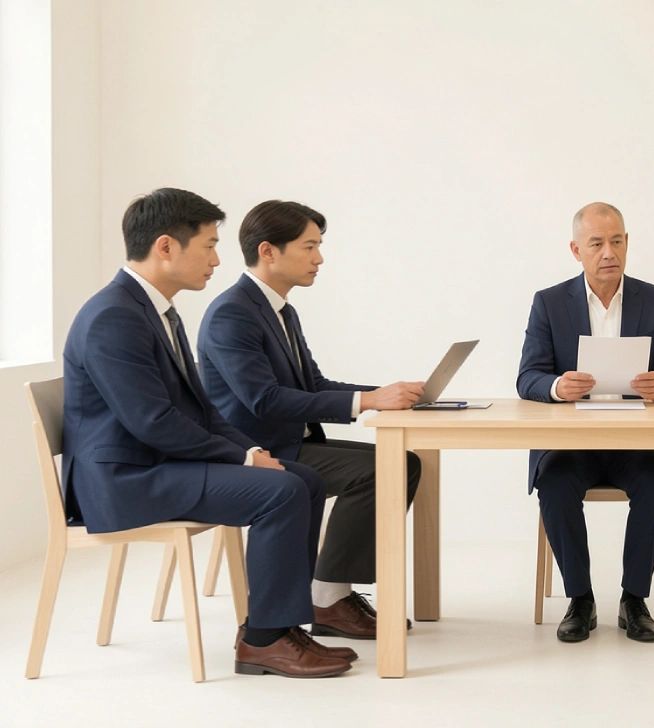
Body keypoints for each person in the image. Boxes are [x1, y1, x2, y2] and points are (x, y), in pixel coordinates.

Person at [62, 188, 351, 678]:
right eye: (209, 245)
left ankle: (284, 624)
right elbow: (152, 422)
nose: (218, 260)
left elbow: (203, 412)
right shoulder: (114, 315)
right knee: (281, 492)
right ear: (166, 246)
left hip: (155, 465)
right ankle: (263, 640)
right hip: (125, 480)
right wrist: (241, 461)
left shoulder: (156, 311)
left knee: (304, 479)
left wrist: (252, 449)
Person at [199, 200, 424, 639]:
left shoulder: (280, 309)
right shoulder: (232, 313)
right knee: (384, 468)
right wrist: (369, 399)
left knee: (404, 461)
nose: (319, 258)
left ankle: (331, 592)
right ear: (269, 251)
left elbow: (312, 383)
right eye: (309, 247)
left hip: (292, 440)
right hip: (258, 452)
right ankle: (327, 600)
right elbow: (264, 400)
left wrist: (381, 398)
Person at [516, 202, 654, 642]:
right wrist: (558, 386)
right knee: (554, 484)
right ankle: (580, 600)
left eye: (617, 241)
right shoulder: (550, 303)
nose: (608, 252)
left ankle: (634, 600)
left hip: (636, 442)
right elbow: (527, 377)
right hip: (572, 443)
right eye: (596, 243)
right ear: (577, 250)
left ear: (627, 243)